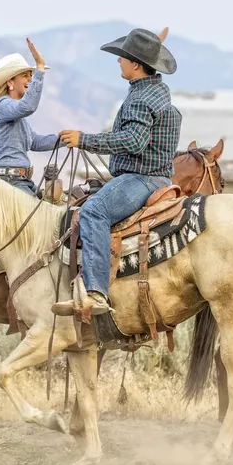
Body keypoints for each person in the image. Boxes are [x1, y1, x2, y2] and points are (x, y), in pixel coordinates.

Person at [51, 28, 181, 316]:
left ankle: (95, 292)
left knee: (94, 211)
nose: (118, 62)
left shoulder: (140, 99)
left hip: (141, 179)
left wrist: (84, 139)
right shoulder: (157, 92)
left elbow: (134, 141)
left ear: (136, 64)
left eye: (123, 58)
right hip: (156, 176)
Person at [0, 39, 61, 195]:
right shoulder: (1, 105)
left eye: (31, 75)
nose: (30, 80)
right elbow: (28, 106)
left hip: (19, 181)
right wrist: (39, 68)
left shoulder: (14, 113)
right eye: (25, 76)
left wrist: (66, 139)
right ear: (10, 81)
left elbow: (35, 142)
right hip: (8, 181)